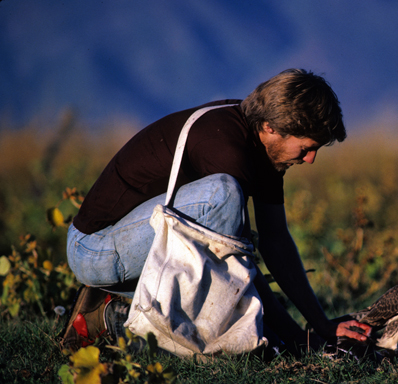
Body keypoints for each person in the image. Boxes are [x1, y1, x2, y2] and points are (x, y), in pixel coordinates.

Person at [60, 68, 371, 356]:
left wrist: (321, 325)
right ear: (271, 127)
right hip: (93, 250)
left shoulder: (264, 148)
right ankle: (115, 304)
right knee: (223, 195)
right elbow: (238, 263)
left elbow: (275, 240)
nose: (310, 159)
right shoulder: (226, 150)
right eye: (305, 148)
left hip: (131, 241)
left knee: (230, 296)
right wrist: (296, 338)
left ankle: (112, 310)